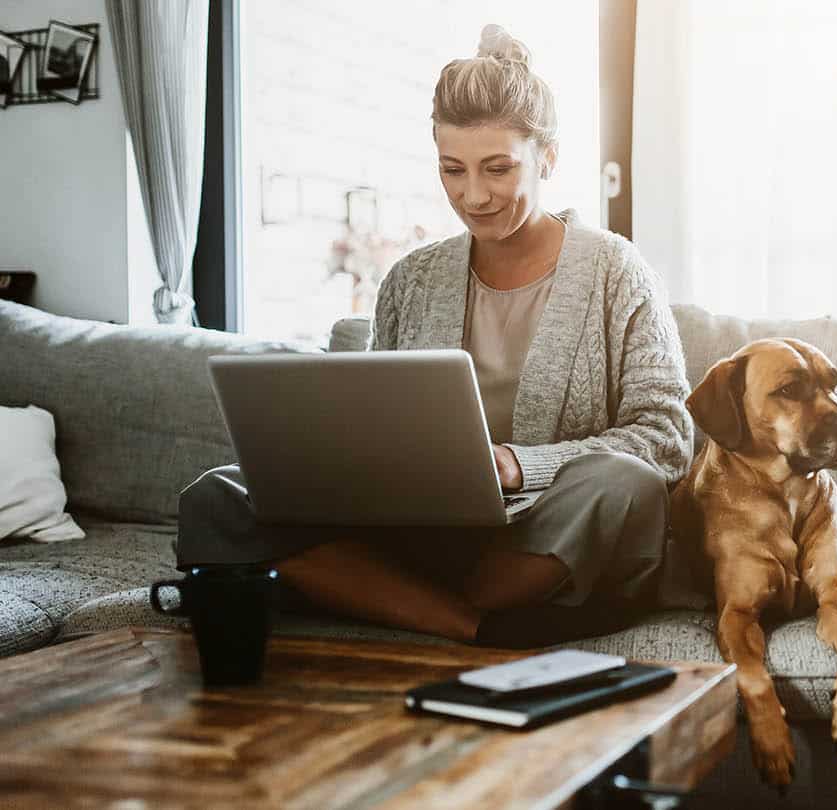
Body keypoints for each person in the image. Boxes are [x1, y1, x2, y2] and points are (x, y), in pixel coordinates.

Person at [174, 24, 695, 646]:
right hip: (420, 531)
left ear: (548, 158)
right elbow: (373, 422)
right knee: (216, 496)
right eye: (452, 170)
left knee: (624, 484)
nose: (473, 195)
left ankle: (385, 596)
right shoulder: (411, 279)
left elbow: (665, 439)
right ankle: (474, 625)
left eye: (498, 169)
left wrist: (518, 466)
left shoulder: (616, 271)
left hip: (547, 531)